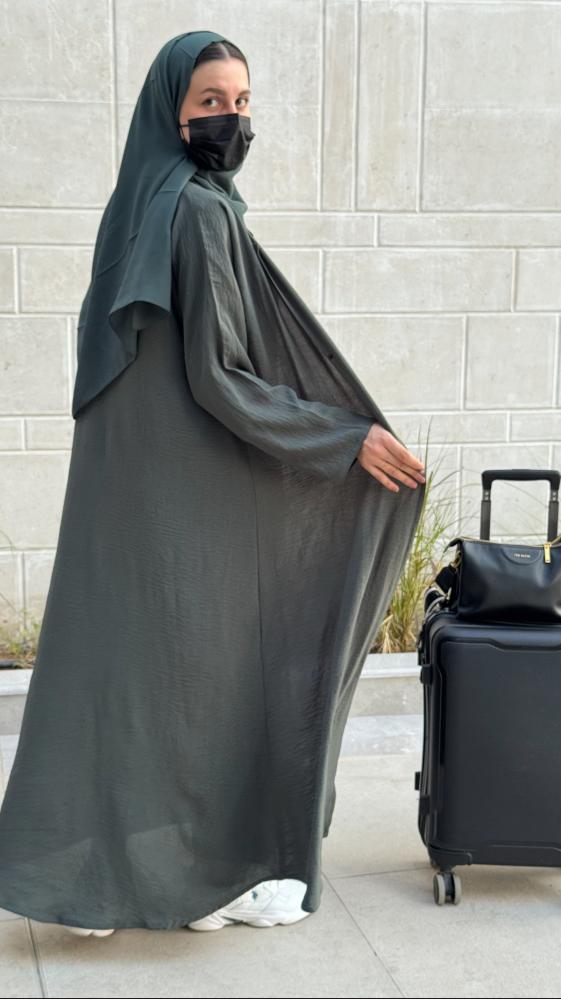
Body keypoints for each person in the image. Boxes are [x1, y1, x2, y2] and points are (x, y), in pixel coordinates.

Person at [0, 30, 426, 935]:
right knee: (202, 673)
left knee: (127, 672)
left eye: (241, 102)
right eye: (209, 103)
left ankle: (100, 884)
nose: (231, 120)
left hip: (124, 485)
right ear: (172, 112)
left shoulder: (138, 201)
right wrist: (343, 437)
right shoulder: (196, 211)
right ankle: (202, 880)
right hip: (181, 491)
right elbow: (221, 378)